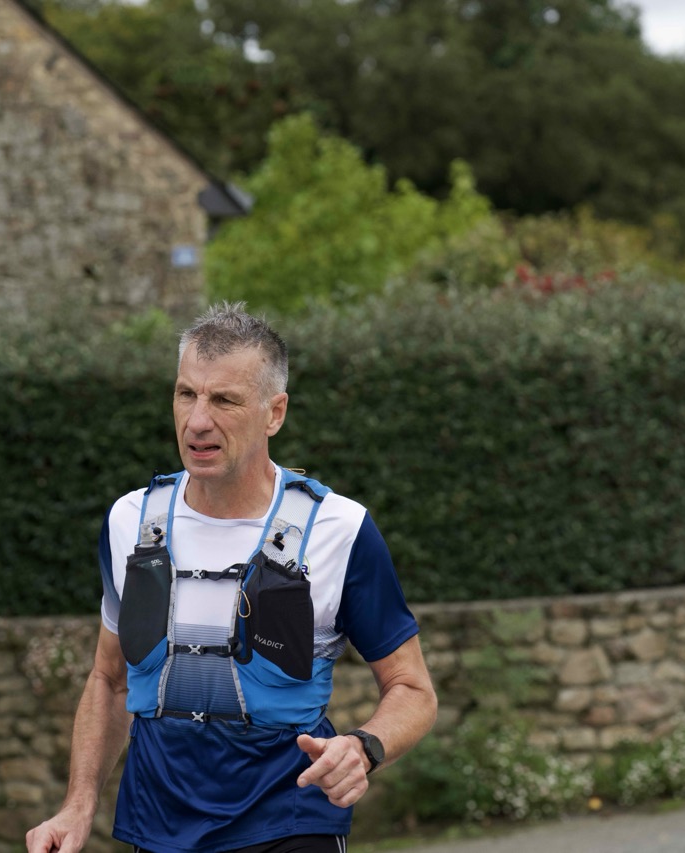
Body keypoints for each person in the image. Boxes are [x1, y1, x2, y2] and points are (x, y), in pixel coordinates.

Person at [27, 304, 438, 853]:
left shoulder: (340, 529)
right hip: (157, 825)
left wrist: (364, 747)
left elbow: (412, 688)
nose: (198, 421)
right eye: (186, 394)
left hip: (290, 820)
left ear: (274, 413)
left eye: (224, 400)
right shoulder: (131, 521)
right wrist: (78, 806)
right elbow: (110, 679)